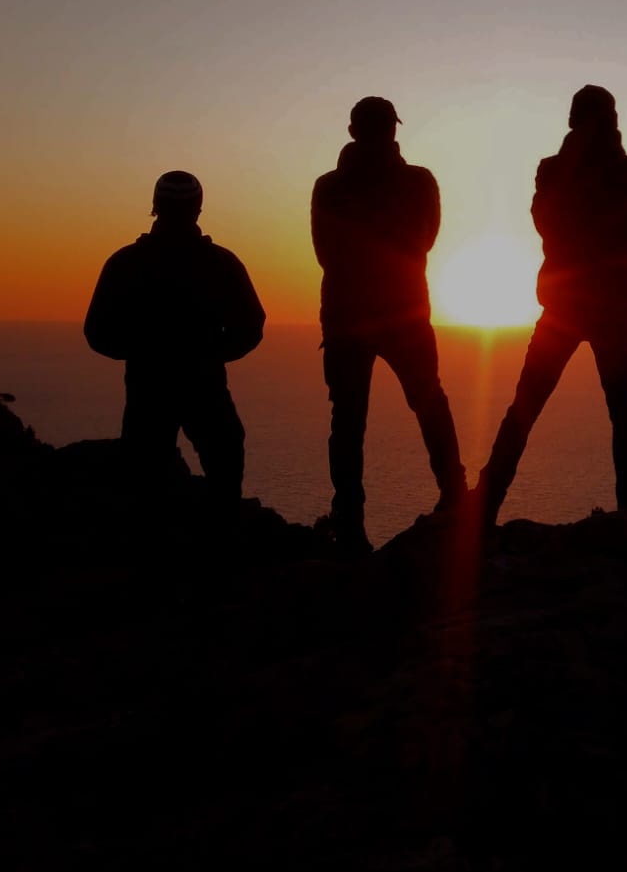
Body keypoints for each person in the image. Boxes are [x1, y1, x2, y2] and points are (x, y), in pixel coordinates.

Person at [475, 87, 627, 521]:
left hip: (569, 306)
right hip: (600, 305)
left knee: (531, 405)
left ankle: (483, 506)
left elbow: (552, 225)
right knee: (622, 413)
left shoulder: (561, 170)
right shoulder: (622, 172)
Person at [310, 97, 467, 551]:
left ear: (352, 131)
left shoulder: (329, 186)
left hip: (345, 316)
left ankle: (350, 524)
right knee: (429, 401)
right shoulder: (419, 182)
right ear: (392, 131)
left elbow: (325, 253)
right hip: (405, 312)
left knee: (348, 421)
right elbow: (427, 239)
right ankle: (454, 495)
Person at [84, 170, 266, 498]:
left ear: (155, 207)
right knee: (224, 469)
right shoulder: (222, 263)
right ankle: (222, 541)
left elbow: (97, 331)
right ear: (198, 209)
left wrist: (142, 351)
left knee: (144, 483)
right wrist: (212, 352)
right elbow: (251, 326)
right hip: (205, 385)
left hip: (147, 388)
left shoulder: (126, 262)